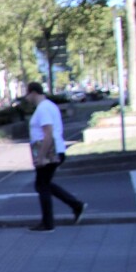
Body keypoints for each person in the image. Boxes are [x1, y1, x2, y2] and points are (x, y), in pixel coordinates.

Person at [25, 82, 84, 232]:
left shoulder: (43, 109)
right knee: (44, 184)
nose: (26, 98)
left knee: (42, 185)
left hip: (49, 151)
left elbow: (48, 133)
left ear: (33, 93)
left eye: (27, 95)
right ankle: (75, 205)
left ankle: (48, 222)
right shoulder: (49, 106)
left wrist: (41, 156)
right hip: (54, 149)